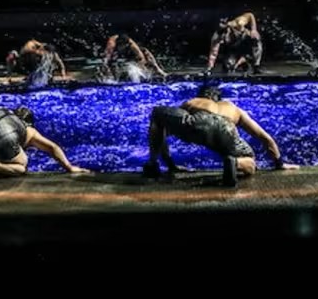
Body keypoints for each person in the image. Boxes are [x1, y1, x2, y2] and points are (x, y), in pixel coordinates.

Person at [144, 84, 297, 186]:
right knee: (250, 161)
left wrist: (170, 163)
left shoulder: (194, 101)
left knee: (158, 115)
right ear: (218, 98)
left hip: (199, 120)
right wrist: (280, 164)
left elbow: (165, 129)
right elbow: (265, 138)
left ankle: (153, 165)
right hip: (227, 129)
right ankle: (235, 163)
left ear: (203, 95)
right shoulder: (234, 109)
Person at [99, 33, 167, 82]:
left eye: (126, 46)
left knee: (145, 51)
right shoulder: (111, 44)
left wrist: (141, 67)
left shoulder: (131, 44)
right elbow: (106, 59)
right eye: (123, 47)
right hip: (112, 51)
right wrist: (106, 68)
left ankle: (159, 70)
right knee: (109, 61)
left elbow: (141, 56)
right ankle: (110, 77)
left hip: (127, 51)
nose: (124, 48)